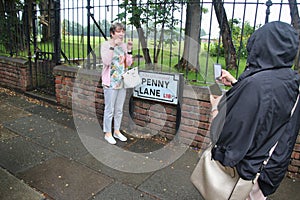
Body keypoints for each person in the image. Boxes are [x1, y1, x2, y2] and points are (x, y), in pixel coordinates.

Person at [209, 21, 300, 199]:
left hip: (248, 174)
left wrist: (215, 107)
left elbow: (224, 136)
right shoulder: (292, 81)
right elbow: (271, 108)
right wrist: (237, 84)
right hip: (271, 168)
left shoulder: (255, 85)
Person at [101, 22, 133, 144]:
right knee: (110, 109)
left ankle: (116, 131)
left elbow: (129, 64)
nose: (121, 34)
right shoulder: (106, 45)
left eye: (123, 31)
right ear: (112, 33)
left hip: (121, 82)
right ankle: (107, 133)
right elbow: (107, 61)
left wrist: (129, 50)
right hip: (110, 83)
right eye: (119, 31)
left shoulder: (124, 46)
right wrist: (113, 46)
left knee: (119, 109)